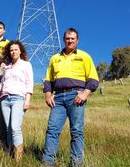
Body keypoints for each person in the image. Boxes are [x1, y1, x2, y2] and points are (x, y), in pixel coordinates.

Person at [42, 28, 99, 167]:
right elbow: (48, 80)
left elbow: (93, 78)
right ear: (64, 40)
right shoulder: (55, 58)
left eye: (73, 38)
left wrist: (85, 93)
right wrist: (48, 94)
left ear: (77, 40)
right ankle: (48, 162)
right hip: (58, 98)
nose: (70, 41)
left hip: (76, 96)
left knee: (76, 131)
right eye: (68, 38)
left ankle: (76, 163)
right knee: (52, 130)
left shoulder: (84, 56)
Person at [0, 40, 34, 162]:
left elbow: (29, 83)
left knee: (15, 127)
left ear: (20, 51)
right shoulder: (7, 67)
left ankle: (18, 159)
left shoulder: (26, 64)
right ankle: (11, 155)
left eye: (15, 50)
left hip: (18, 98)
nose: (13, 52)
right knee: (8, 128)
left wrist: (27, 99)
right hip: (4, 99)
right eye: (11, 50)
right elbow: (3, 82)